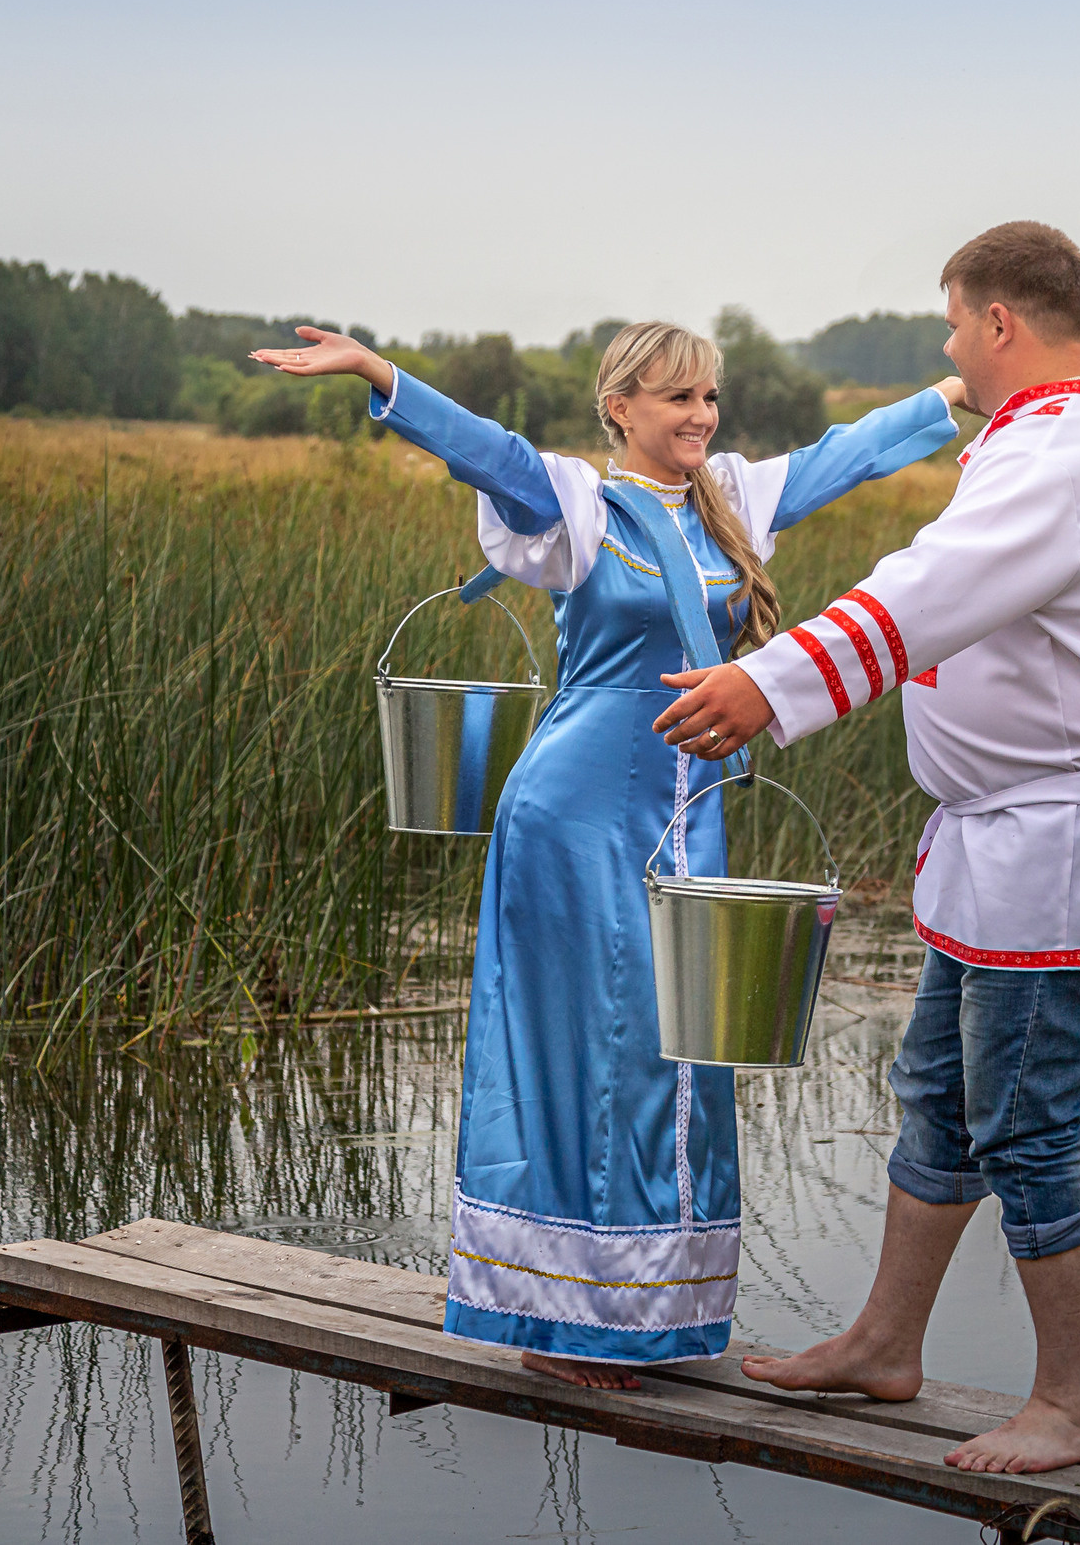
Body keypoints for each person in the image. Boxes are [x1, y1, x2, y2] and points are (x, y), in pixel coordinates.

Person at [251, 321, 960, 1388]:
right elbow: (483, 450)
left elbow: (845, 455)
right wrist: (376, 373)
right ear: (619, 405)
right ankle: (557, 1322)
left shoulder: (730, 498)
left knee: (680, 1051)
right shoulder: (579, 504)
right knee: (586, 1048)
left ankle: (647, 1310)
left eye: (709, 397)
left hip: (687, 809)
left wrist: (958, 392)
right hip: (575, 814)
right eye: (677, 399)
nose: (701, 417)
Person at [650, 222, 1080, 1473]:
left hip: (1060, 846)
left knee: (1025, 1123)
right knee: (940, 1098)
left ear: (999, 321)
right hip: (1009, 840)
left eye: (955, 324)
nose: (950, 346)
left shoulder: (1073, 451)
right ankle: (886, 1345)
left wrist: (765, 684)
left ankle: (1073, 1403)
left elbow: (929, 584)